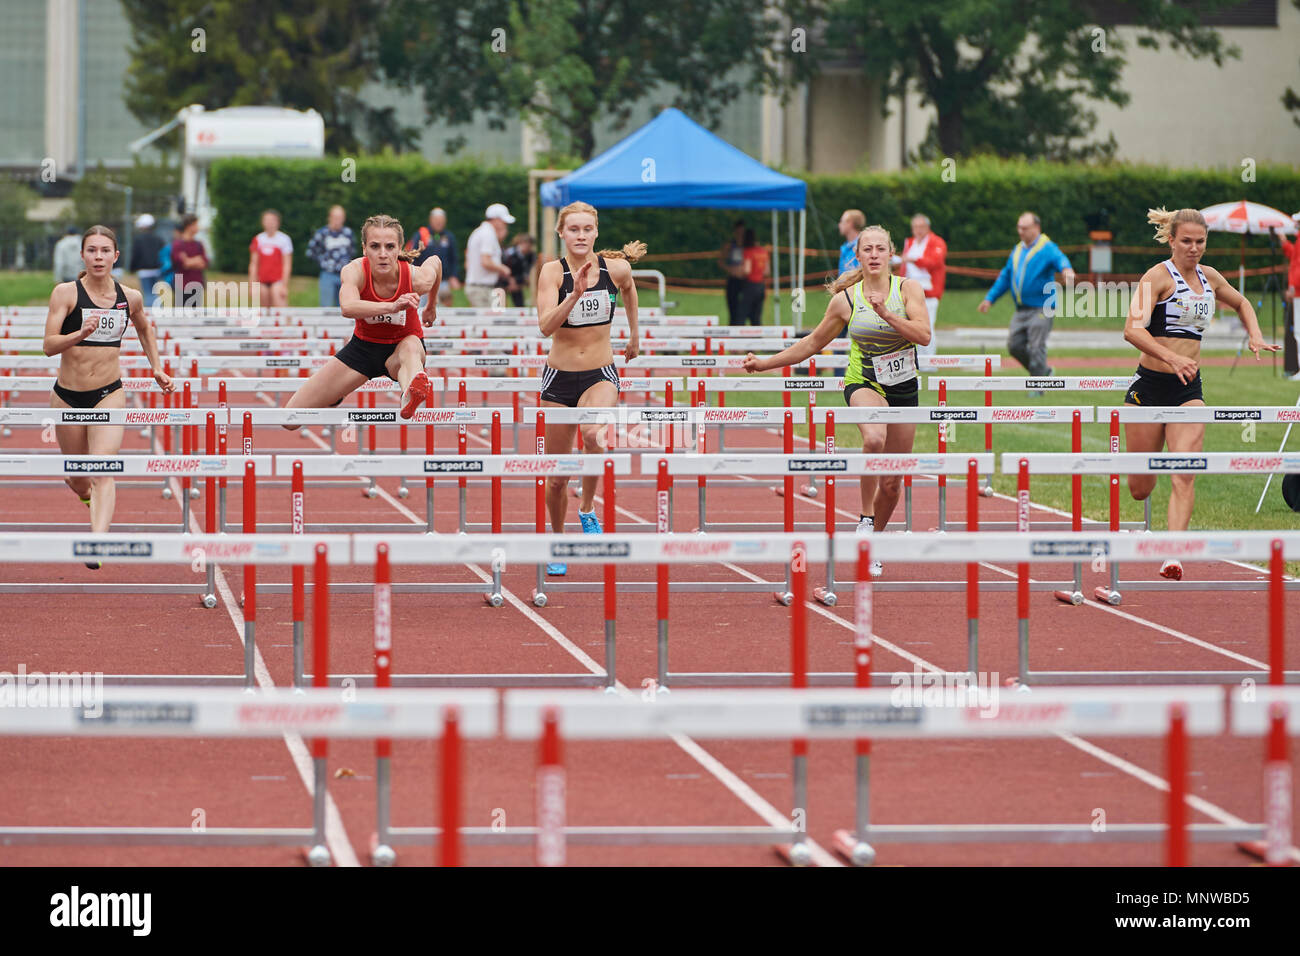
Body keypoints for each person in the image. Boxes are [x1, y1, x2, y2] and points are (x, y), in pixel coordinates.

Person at [743, 224, 930, 577]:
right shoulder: (845, 301)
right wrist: (764, 363)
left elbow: (923, 334)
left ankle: (872, 542)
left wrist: (888, 315)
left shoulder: (909, 289)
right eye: (867, 249)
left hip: (904, 387)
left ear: (891, 254)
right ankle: (864, 518)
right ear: (857, 255)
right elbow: (811, 344)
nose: (874, 255)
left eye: (880, 249)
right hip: (863, 382)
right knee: (874, 438)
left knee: (892, 483)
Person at [1122, 207, 1278, 580]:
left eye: (1201, 242)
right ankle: (1147, 492)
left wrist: (1254, 333)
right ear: (1172, 240)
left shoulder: (1209, 278)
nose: (1194, 249)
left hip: (1187, 390)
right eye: (1187, 241)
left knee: (1185, 473)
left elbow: (1241, 302)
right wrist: (1171, 356)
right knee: (1140, 488)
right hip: (1149, 387)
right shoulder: (1156, 277)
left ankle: (1173, 553)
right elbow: (1132, 329)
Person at [41, 226, 175, 563]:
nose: (98, 257)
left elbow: (145, 328)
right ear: (83, 256)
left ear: (116, 256)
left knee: (102, 468)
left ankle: (97, 543)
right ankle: (86, 495)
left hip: (109, 393)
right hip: (68, 396)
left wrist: (156, 366)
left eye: (105, 251)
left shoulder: (130, 297)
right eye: (92, 251)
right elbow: (48, 346)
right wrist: (78, 333)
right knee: (76, 477)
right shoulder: (66, 294)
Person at [535, 201, 643, 575]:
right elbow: (545, 327)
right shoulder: (552, 273)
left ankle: (587, 508)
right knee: (557, 476)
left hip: (601, 372)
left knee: (594, 435)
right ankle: (558, 541)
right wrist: (575, 294)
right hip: (559, 378)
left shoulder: (616, 268)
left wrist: (634, 334)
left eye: (587, 229)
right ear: (561, 233)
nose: (580, 236)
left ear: (596, 232)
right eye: (573, 229)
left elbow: (629, 289)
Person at [285, 214, 440, 422]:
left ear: (399, 248)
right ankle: (334, 396)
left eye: (390, 247)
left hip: (402, 348)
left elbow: (435, 262)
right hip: (363, 350)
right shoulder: (354, 271)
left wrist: (431, 306)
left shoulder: (416, 278)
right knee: (290, 419)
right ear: (364, 248)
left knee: (411, 347)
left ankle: (410, 393)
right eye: (375, 246)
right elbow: (347, 307)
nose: (383, 254)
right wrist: (391, 306)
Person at [978, 212, 1074, 378]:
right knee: (1014, 346)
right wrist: (989, 299)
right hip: (1021, 309)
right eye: (1019, 228)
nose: (1021, 231)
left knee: (1037, 346)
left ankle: (1038, 386)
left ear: (1036, 228)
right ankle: (1044, 373)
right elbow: (1006, 276)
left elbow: (1061, 259)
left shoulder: (1047, 247)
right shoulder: (1018, 249)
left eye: (1025, 228)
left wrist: (1066, 270)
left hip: (1042, 307)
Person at [899, 214, 947, 358]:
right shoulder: (910, 243)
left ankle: (930, 360)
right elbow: (904, 265)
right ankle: (916, 359)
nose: (918, 230)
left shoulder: (936, 242)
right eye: (915, 227)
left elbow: (935, 261)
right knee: (910, 326)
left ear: (928, 228)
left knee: (928, 325)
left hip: (929, 292)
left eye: (921, 227)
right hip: (909, 291)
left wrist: (915, 260)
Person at [407, 207, 461, 307]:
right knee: (420, 307)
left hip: (443, 281)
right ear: (430, 220)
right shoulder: (421, 234)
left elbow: (454, 259)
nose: (438, 223)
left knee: (444, 308)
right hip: (423, 280)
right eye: (436, 220)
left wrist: (453, 276)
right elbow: (413, 256)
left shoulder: (449, 237)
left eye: (441, 221)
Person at [464, 203, 515, 308]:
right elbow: (486, 261)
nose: (505, 224)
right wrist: (503, 269)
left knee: (492, 320)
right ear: (495, 219)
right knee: (488, 322)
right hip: (481, 289)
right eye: (503, 221)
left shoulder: (482, 232)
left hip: (482, 287)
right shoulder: (488, 234)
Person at [306, 206, 355, 309]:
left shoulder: (348, 233)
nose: (338, 220)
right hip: (328, 274)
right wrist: (323, 262)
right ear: (329, 217)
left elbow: (352, 251)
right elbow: (311, 251)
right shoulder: (322, 233)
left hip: (345, 274)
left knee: (345, 306)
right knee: (326, 306)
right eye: (335, 217)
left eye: (340, 217)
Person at [249, 209, 294, 309]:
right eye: (267, 220)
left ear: (277, 222)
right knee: (262, 306)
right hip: (262, 281)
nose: (269, 223)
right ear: (263, 222)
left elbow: (287, 264)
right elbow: (254, 264)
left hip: (277, 281)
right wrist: (252, 285)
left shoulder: (284, 239)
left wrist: (284, 285)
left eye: (272, 220)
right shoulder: (258, 239)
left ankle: (285, 324)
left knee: (279, 301)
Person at [1272, 225, 1300, 377]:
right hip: (1297, 292)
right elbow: (1294, 257)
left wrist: (1293, 286)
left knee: (1299, 333)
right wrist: (1284, 242)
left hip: (1298, 293)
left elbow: (1298, 265)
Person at [170, 214, 208, 308]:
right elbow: (184, 263)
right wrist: (196, 260)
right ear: (189, 226)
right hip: (181, 286)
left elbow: (204, 263)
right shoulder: (178, 244)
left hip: (197, 285)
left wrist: (189, 260)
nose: (197, 227)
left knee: (195, 317)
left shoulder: (199, 244)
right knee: (180, 317)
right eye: (195, 225)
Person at [128, 214, 166, 308]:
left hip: (144, 271)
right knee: (156, 293)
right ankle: (159, 310)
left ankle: (150, 314)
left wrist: (132, 269)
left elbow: (135, 255)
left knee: (148, 293)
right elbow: (163, 255)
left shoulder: (138, 240)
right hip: (157, 270)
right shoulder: (159, 239)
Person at [736, 228, 770, 326]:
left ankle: (737, 339)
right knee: (756, 317)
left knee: (741, 314)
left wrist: (738, 272)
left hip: (750, 285)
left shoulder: (748, 251)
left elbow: (747, 270)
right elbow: (767, 271)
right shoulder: (763, 252)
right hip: (761, 286)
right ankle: (758, 339)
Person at [718, 220, 747, 325]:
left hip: (745, 280)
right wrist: (730, 269)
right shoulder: (729, 246)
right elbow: (720, 261)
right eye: (738, 232)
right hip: (733, 279)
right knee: (733, 308)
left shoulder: (748, 246)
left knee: (744, 309)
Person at [499, 233, 537, 307]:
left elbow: (526, 272)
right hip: (504, 280)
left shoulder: (531, 256)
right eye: (525, 244)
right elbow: (502, 266)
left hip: (518, 282)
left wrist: (519, 282)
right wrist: (509, 280)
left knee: (520, 305)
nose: (527, 247)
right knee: (499, 306)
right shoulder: (510, 253)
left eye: (529, 245)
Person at [838, 209, 865, 274]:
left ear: (850, 223)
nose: (839, 225)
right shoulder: (845, 248)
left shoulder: (864, 246)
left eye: (841, 221)